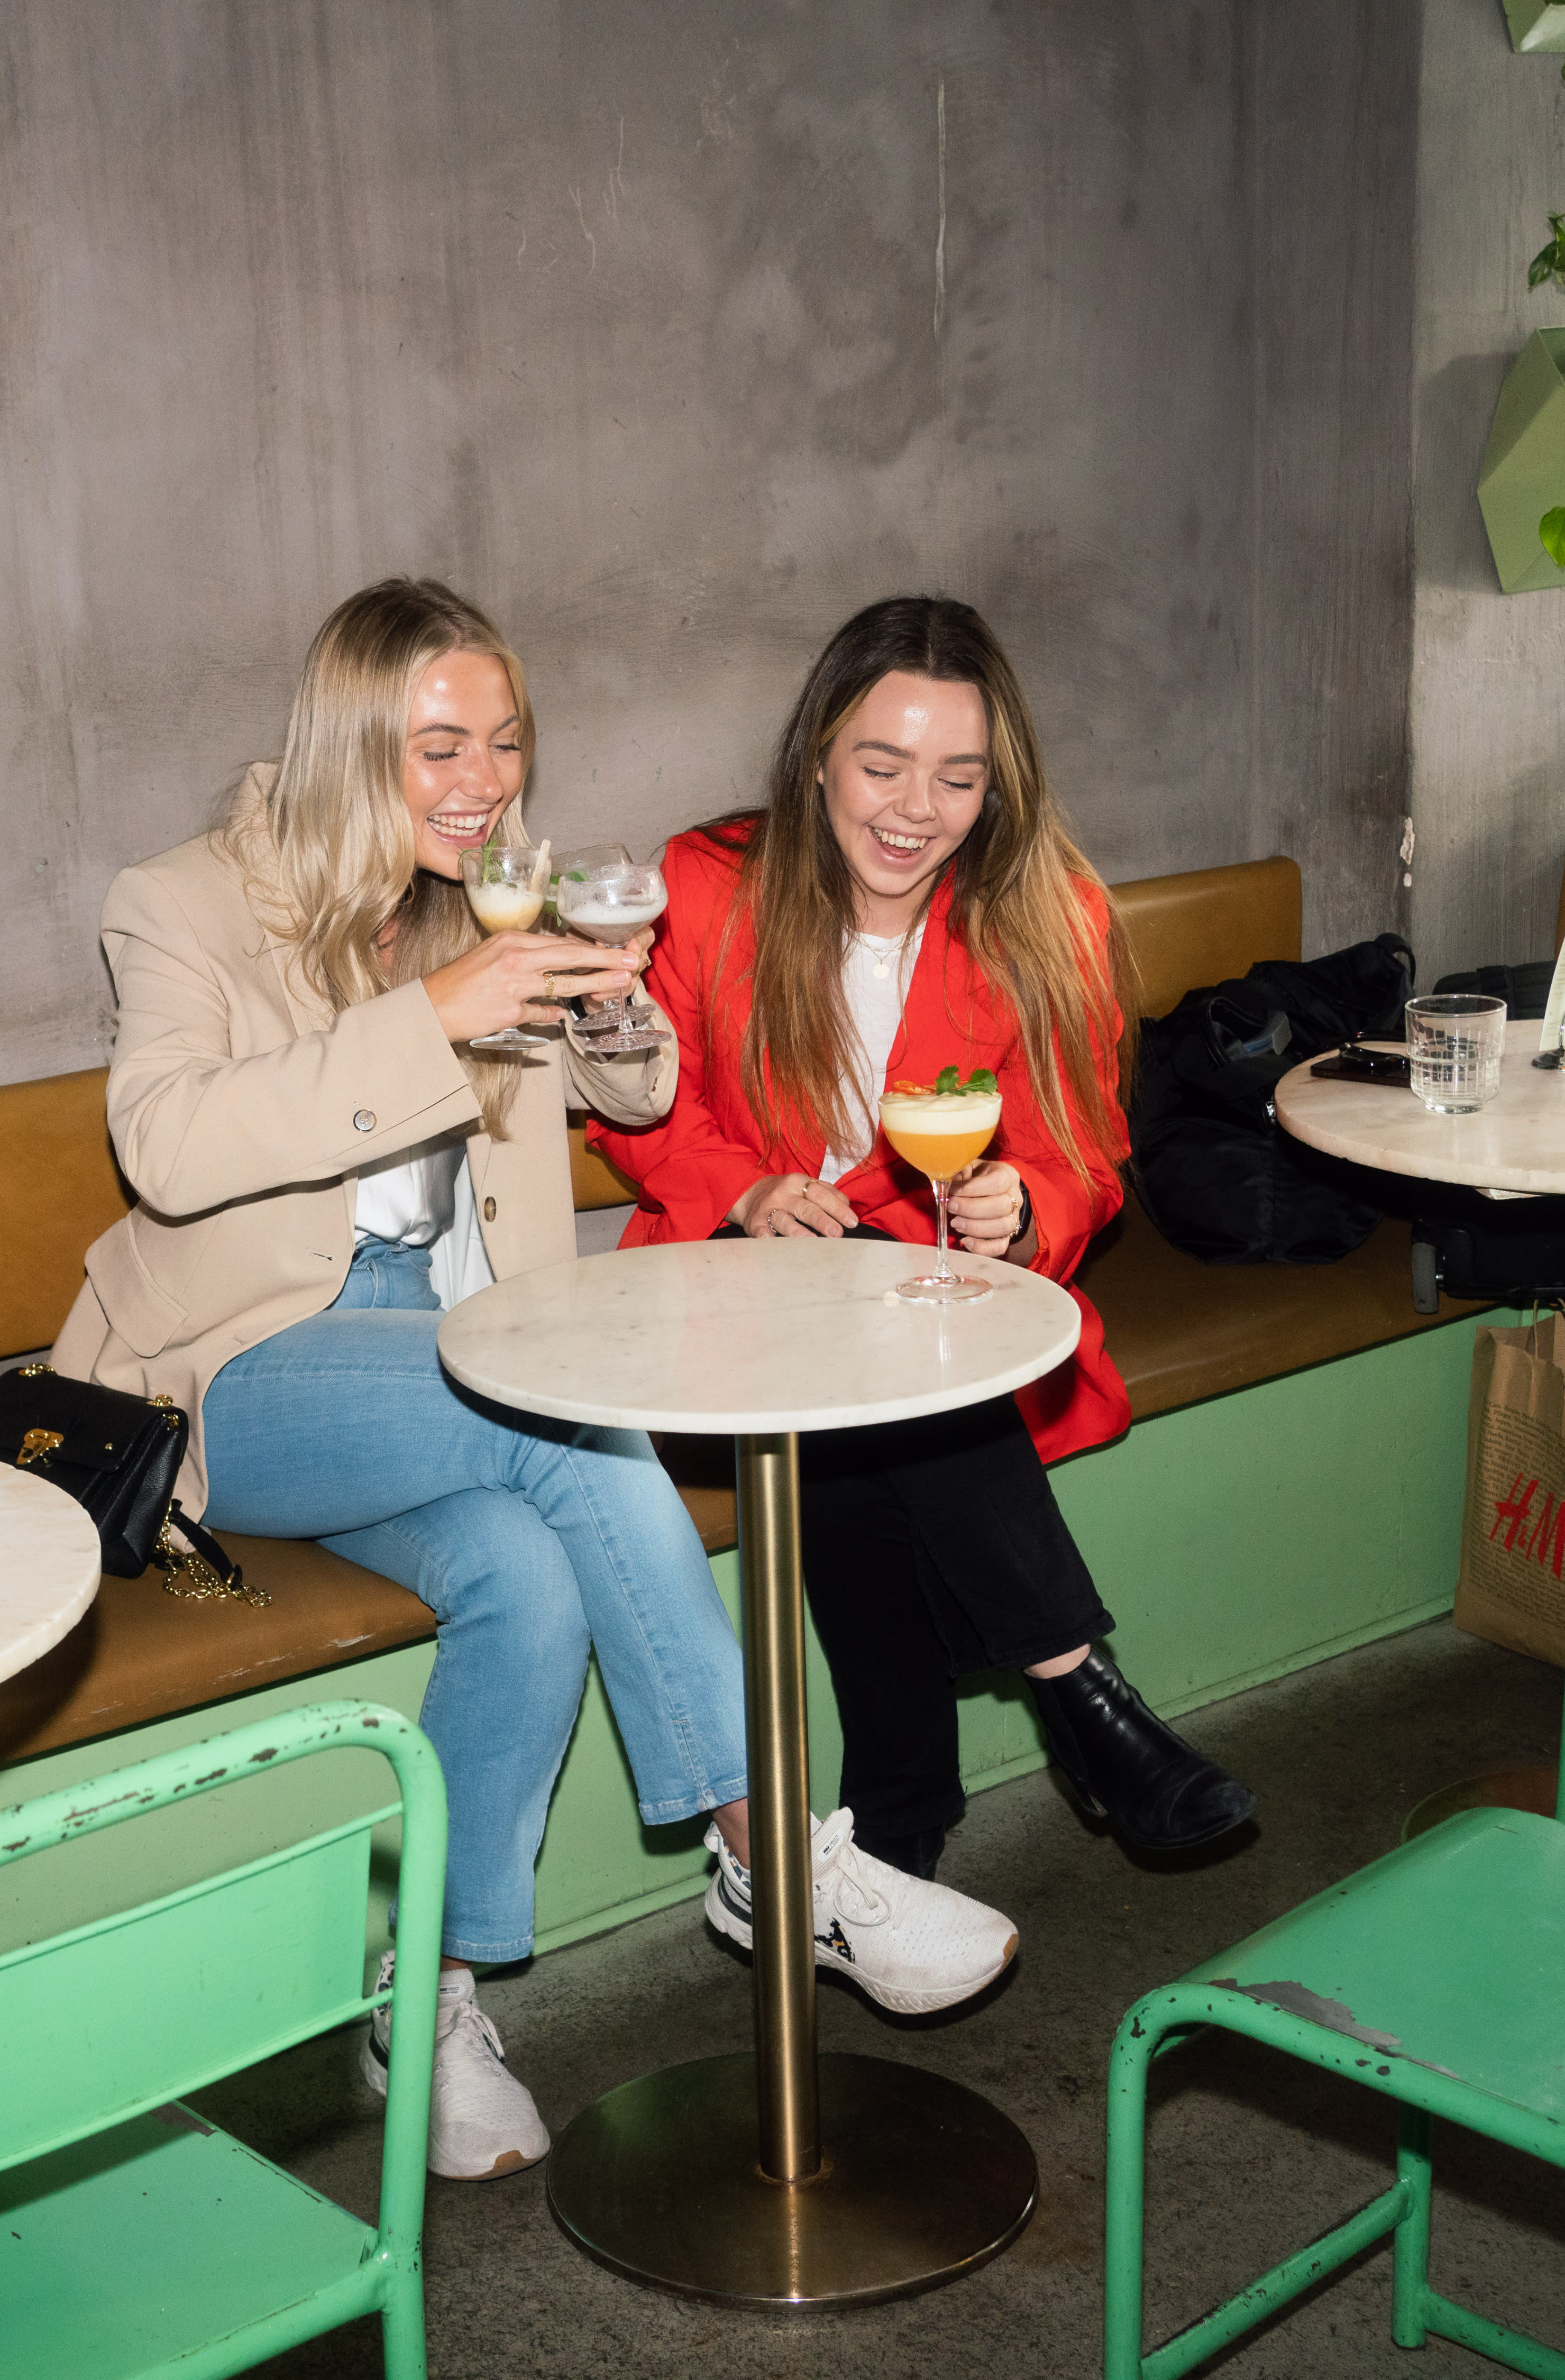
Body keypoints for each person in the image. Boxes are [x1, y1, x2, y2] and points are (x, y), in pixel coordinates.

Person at [52, 578, 1021, 2184]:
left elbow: (629, 1095)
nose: (485, 779)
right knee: (568, 1415)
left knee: (523, 1577)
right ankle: (774, 1853)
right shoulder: (182, 902)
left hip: (447, 1351)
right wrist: (433, 1015)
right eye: (441, 745)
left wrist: (615, 1000)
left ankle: (422, 2002)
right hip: (239, 1369)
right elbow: (163, 1145)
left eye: (504, 741)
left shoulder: (482, 897)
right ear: (347, 746)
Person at [591, 594, 1258, 1886]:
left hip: (925, 1302)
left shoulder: (1042, 910)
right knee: (885, 1391)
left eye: (958, 777)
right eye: (881, 764)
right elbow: (633, 1108)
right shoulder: (705, 885)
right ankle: (1083, 1693)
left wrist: (1032, 1206)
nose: (915, 808)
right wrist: (741, 1190)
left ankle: (895, 1822)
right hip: (736, 1299)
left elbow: (1084, 1150)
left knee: (885, 1389)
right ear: (819, 757)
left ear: (995, 786)